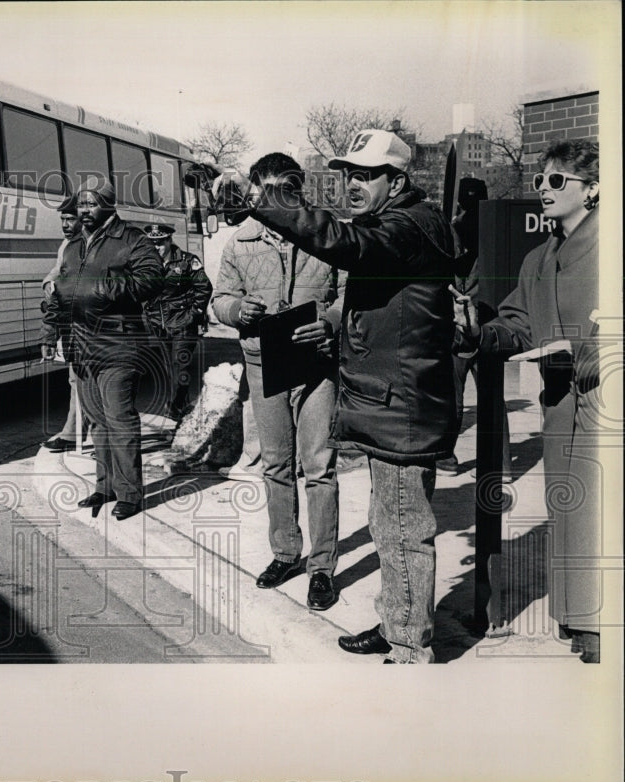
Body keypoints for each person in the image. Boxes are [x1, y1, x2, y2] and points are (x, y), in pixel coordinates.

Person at [214, 130, 460, 662]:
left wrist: (263, 200)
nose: (352, 183)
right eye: (347, 173)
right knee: (390, 525)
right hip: (390, 401)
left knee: (400, 527)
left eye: (365, 175)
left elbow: (345, 248)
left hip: (403, 406)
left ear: (396, 182)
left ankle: (408, 648)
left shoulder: (406, 227)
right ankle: (400, 621)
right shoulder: (401, 222)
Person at [453, 139, 601, 663]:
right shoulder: (539, 258)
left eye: (557, 181)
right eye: (540, 180)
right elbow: (516, 323)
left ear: (594, 188)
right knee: (571, 508)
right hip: (562, 403)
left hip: (607, 402)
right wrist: (478, 331)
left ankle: (598, 624)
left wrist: (589, 349)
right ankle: (581, 615)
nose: (544, 188)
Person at [212, 152, 346, 610]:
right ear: (254, 189)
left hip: (315, 366)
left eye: (284, 189)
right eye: (265, 189)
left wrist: (330, 320)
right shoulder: (240, 241)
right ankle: (286, 553)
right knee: (275, 465)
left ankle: (322, 568)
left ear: (298, 190)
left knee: (320, 466)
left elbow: (352, 292)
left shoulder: (326, 234)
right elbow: (220, 297)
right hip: (263, 362)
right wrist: (236, 311)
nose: (274, 198)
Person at [47, 175, 163, 521]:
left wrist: (102, 287)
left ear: (108, 204)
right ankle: (105, 485)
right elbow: (58, 293)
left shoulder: (131, 239)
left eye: (91, 203)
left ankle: (129, 493)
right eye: (81, 203)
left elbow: (152, 279)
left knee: (120, 420)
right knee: (97, 421)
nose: (84, 210)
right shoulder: (73, 246)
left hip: (118, 345)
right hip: (81, 346)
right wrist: (49, 332)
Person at [436, 259, 512, 480]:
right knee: (491, 398)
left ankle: (446, 460)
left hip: (465, 331)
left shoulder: (451, 245)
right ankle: (500, 465)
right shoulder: (489, 246)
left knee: (452, 396)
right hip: (484, 327)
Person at [141, 223, 213, 423]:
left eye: (160, 243)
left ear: (169, 241)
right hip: (159, 324)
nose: (156, 247)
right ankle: (182, 404)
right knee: (169, 368)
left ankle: (173, 409)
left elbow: (204, 287)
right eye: (152, 243)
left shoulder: (188, 261)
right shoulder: (146, 264)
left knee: (180, 366)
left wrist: (195, 313)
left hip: (183, 324)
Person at [40, 197, 90, 452]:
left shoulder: (87, 244)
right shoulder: (67, 245)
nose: (65, 224)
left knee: (85, 380)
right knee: (76, 378)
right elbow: (57, 272)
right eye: (63, 220)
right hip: (71, 323)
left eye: (71, 219)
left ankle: (76, 433)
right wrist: (49, 283)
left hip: (89, 325)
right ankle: (75, 431)